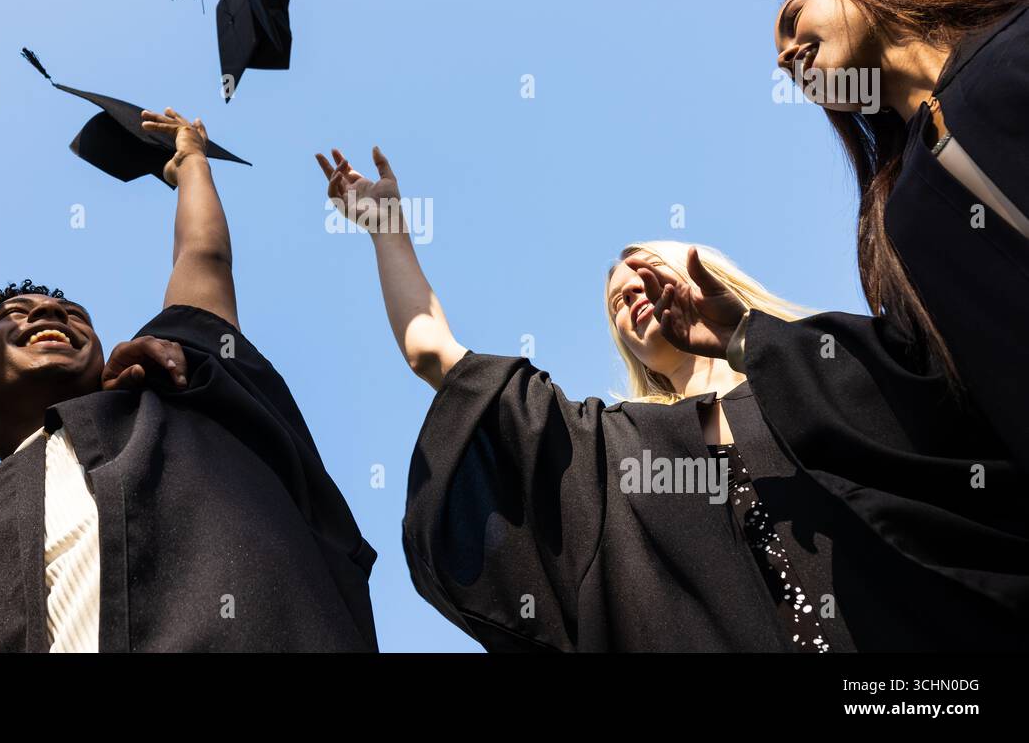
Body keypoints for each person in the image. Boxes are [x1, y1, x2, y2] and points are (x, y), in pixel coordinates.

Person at [316, 146, 1029, 651]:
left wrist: (749, 342)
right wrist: (388, 231)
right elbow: (436, 355)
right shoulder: (607, 450)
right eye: (616, 298)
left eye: (643, 266)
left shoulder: (830, 362)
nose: (629, 286)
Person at [0, 110, 378, 652]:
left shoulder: (171, 402)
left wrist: (191, 160)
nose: (50, 311)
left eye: (72, 312)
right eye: (15, 312)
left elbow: (204, 259)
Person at [775, 0, 1029, 473]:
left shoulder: (1018, 34)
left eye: (793, 19)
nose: (784, 59)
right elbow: (927, 387)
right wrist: (746, 340)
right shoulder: (895, 222)